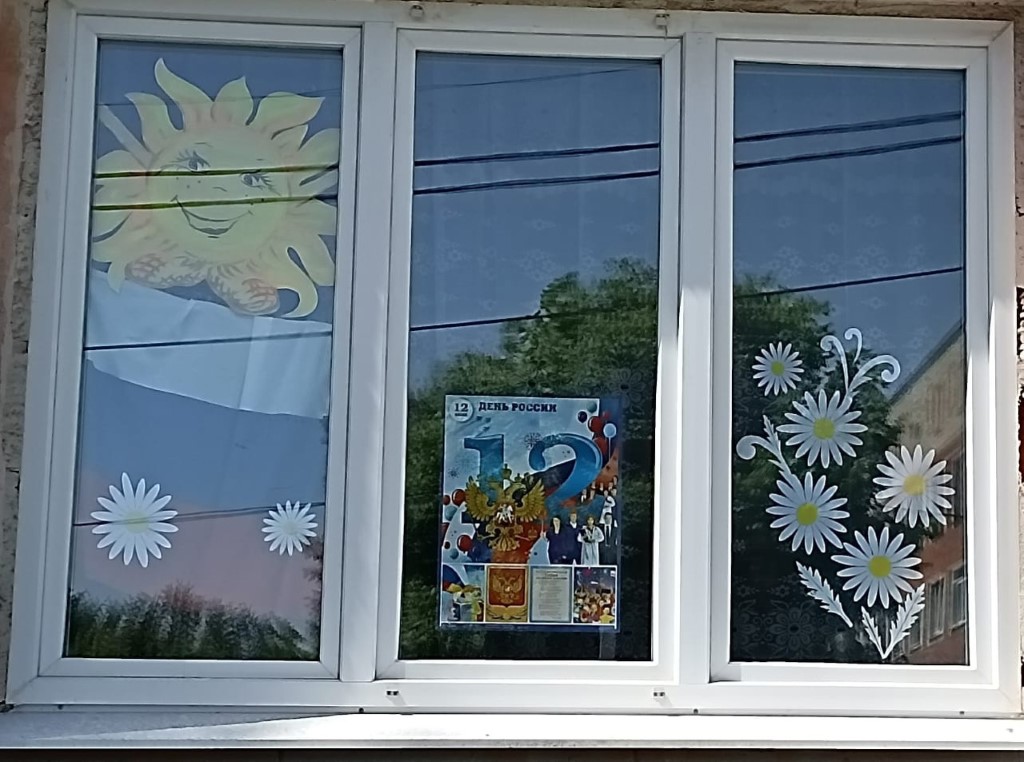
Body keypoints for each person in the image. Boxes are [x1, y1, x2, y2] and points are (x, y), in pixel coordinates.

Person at [598, 498, 619, 566]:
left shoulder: (615, 529)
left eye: (610, 518)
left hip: (612, 553)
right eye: (607, 518)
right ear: (604, 519)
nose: (608, 520)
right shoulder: (600, 528)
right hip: (602, 552)